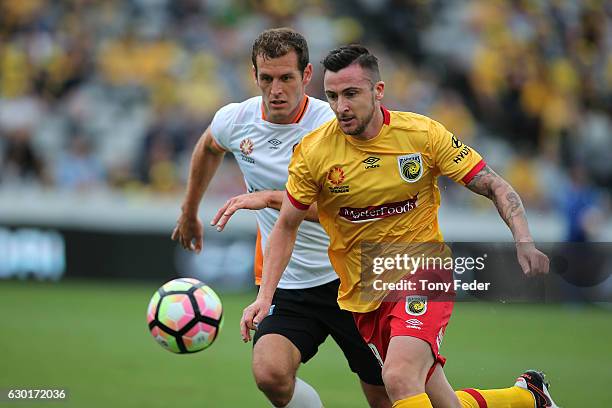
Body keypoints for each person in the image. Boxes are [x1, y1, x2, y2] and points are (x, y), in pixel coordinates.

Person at [240, 45, 559, 408]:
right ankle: (527, 397)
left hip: (424, 270)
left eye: (351, 94)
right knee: (439, 401)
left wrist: (524, 240)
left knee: (398, 377)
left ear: (378, 91)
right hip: (364, 287)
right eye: (332, 96)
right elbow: (286, 226)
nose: (341, 106)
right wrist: (265, 297)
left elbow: (493, 184)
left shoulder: (421, 134)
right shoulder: (315, 152)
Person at [172, 30, 390, 408]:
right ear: (253, 75)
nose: (276, 90)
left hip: (354, 278)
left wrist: (272, 199)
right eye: (266, 78)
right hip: (290, 283)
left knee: (387, 397)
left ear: (306, 76)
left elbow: (351, 211)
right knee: (270, 373)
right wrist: (189, 210)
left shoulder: (335, 125)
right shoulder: (235, 120)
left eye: (286, 78)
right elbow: (209, 146)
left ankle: (520, 397)